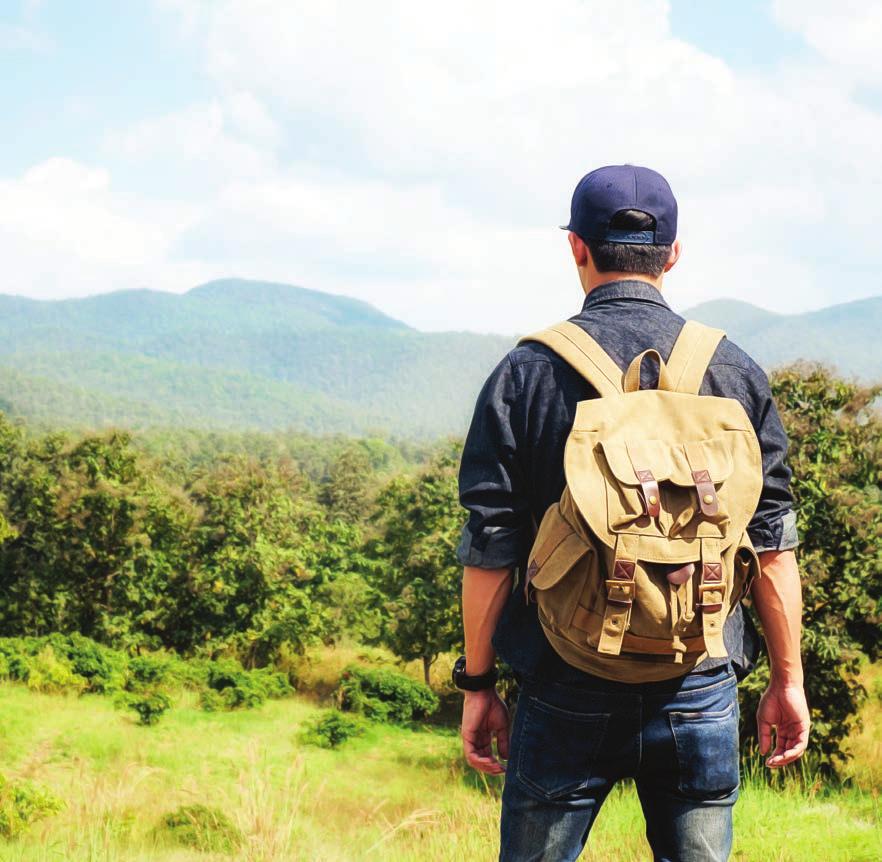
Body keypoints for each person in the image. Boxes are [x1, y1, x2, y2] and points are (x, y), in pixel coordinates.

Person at [452, 165, 810, 862]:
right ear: (673, 255)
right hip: (699, 674)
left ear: (576, 248)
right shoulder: (733, 373)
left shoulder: (526, 374)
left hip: (563, 677)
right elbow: (771, 545)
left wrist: (479, 684)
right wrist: (787, 680)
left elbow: (491, 552)